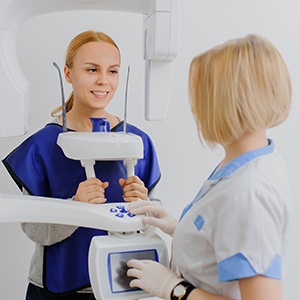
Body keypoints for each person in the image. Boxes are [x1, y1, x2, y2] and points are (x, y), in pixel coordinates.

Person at [126, 34, 292, 300]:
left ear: (227, 102)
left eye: (200, 98)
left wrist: (175, 289)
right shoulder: (253, 158)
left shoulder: (249, 192)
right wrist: (184, 230)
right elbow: (228, 238)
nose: (196, 110)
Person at [2, 30, 161, 299]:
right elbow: (34, 230)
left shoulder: (135, 141)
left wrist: (144, 207)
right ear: (68, 73)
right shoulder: (44, 145)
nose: (103, 80)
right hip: (56, 288)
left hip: (121, 286)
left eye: (112, 71)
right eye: (91, 69)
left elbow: (152, 225)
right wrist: (74, 208)